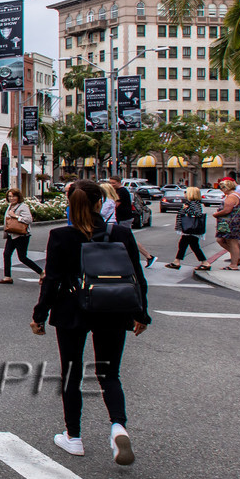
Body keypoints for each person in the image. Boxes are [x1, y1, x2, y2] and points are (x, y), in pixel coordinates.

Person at [30, 180, 150, 464]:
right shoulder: (120, 233)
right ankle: (118, 427)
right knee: (110, 374)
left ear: (70, 205)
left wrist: (39, 315)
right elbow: (137, 277)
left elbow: (52, 281)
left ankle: (74, 437)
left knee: (72, 374)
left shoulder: (60, 235)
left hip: (72, 310)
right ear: (100, 203)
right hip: (114, 307)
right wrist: (141, 314)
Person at [0, 187, 42, 284]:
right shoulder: (10, 206)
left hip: (21, 235)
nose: (11, 198)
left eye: (13, 196)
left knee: (22, 257)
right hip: (11, 234)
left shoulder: (23, 206)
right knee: (6, 254)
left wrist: (16, 216)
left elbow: (29, 220)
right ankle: (7, 276)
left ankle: (41, 272)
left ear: (18, 197)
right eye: (9, 196)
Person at [108, 177, 156, 267]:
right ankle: (148, 256)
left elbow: (116, 205)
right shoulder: (120, 191)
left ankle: (147, 256)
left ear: (119, 182)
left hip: (124, 218)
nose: (112, 185)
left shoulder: (122, 191)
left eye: (113, 183)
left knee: (128, 239)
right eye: (110, 183)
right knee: (128, 238)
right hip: (124, 218)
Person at [166, 187, 210, 271]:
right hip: (189, 229)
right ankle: (177, 261)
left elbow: (197, 214)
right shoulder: (193, 203)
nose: (184, 194)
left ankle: (204, 263)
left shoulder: (192, 203)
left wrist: (186, 209)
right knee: (187, 245)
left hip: (191, 229)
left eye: (186, 192)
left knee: (189, 245)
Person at [212, 178, 240, 271]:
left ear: (226, 188)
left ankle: (234, 264)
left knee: (232, 242)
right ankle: (237, 258)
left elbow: (227, 210)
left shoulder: (231, 197)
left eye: (222, 188)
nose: (221, 190)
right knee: (221, 240)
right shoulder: (237, 195)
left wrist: (216, 214)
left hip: (231, 223)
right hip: (235, 222)